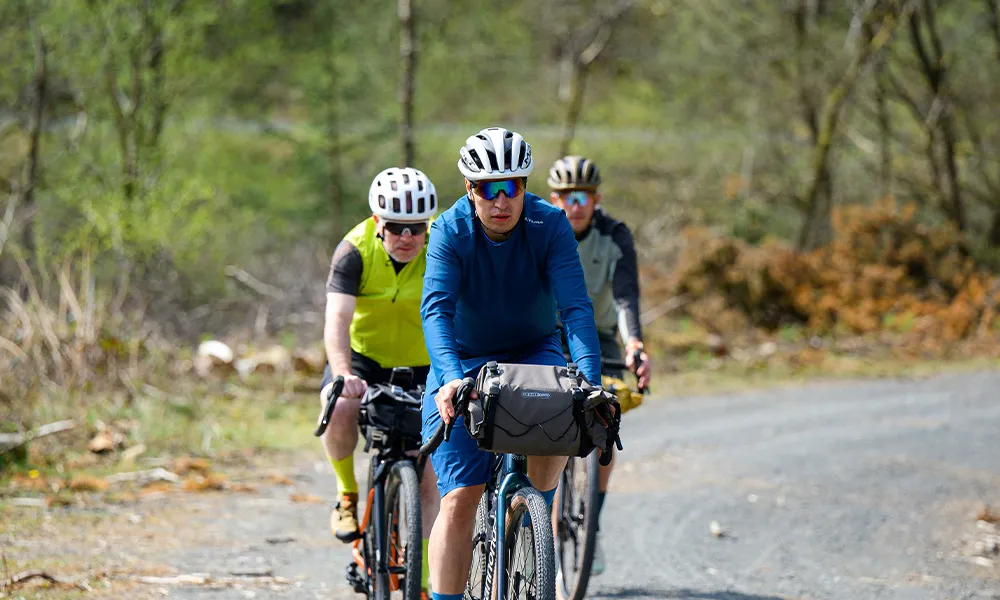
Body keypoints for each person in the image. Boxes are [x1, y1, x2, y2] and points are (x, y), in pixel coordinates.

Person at [420, 127, 604, 600]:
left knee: (563, 422)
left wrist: (589, 381)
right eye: (488, 188)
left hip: (533, 352)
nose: (501, 200)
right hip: (462, 361)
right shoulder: (448, 230)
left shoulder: (550, 224)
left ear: (525, 187)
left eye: (512, 186)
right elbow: (436, 310)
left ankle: (527, 523)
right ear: (469, 189)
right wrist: (450, 379)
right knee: (460, 498)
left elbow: (576, 308)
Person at [319, 166, 440, 596]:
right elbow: (337, 319)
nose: (407, 237)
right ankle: (347, 495)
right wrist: (343, 373)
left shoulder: (440, 248)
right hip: (363, 361)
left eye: (417, 228)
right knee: (340, 406)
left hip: (425, 366)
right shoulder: (353, 251)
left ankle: (422, 582)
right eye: (395, 227)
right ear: (377, 223)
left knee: (428, 477)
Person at [548, 155, 652, 576]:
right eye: (568, 197)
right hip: (548, 334)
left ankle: (592, 524)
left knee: (606, 423)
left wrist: (635, 346)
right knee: (549, 427)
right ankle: (549, 531)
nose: (576, 205)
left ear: (596, 199)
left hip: (602, 335)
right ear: (554, 199)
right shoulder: (540, 228)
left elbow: (626, 297)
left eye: (584, 197)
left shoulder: (614, 234)